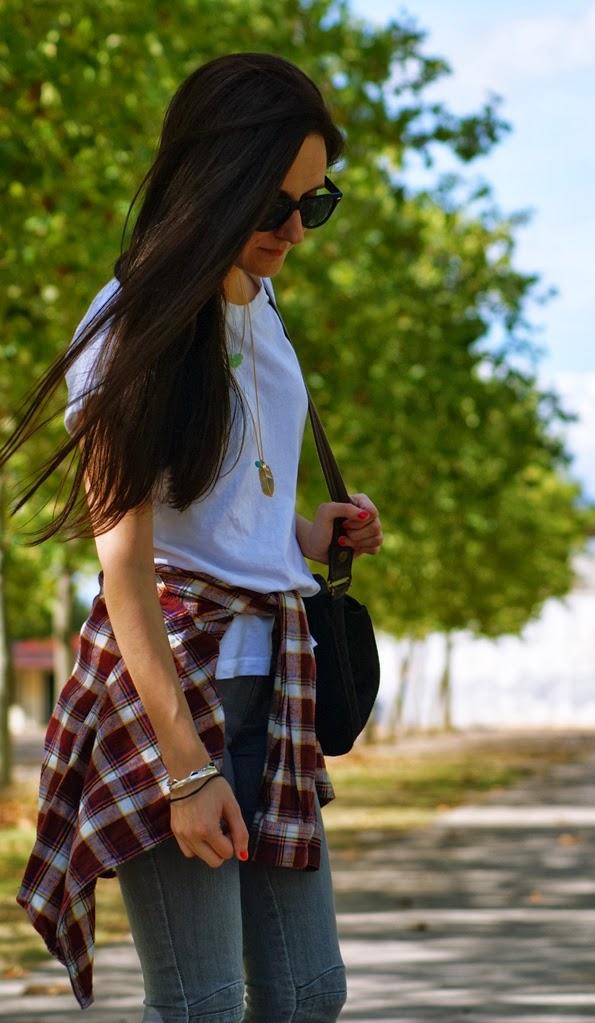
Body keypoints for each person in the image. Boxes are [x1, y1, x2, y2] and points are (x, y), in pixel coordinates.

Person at [5, 52, 383, 1021]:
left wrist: (306, 528)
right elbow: (125, 563)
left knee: (307, 992)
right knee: (204, 1003)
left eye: (315, 204)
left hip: (277, 675)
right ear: (213, 181)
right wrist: (186, 767)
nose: (295, 230)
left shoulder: (261, 305)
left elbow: (223, 497)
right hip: (171, 684)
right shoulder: (130, 331)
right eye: (274, 206)